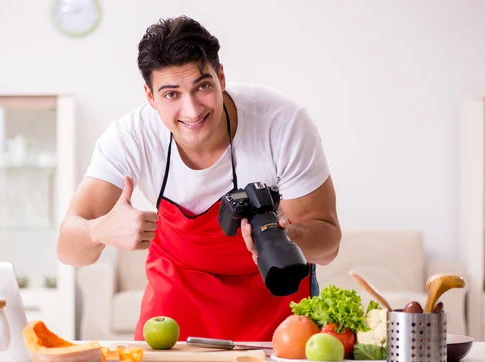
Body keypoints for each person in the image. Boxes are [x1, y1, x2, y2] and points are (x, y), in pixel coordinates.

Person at [57, 15, 341, 341]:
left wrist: (287, 230)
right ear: (149, 97)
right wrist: (100, 230)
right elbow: (67, 248)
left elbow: (328, 247)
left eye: (202, 86)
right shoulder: (129, 138)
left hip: (276, 297)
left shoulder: (282, 124)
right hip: (177, 298)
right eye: (171, 94)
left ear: (221, 77)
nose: (192, 111)